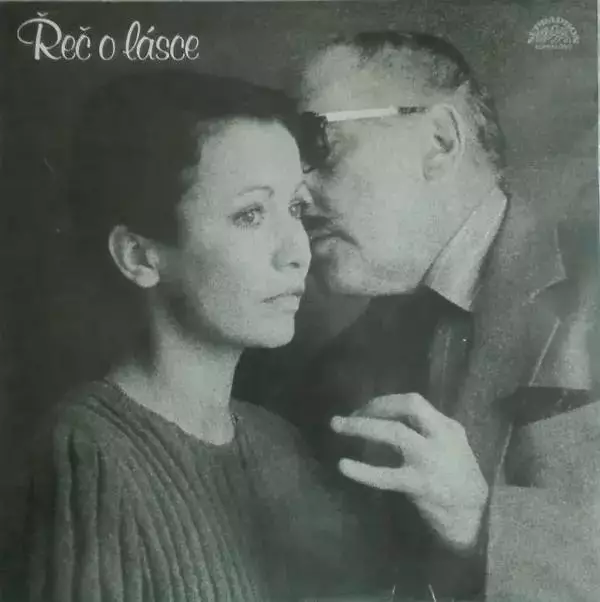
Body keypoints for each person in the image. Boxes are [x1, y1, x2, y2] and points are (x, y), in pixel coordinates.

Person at [237, 31, 599, 600]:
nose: (296, 195)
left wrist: (479, 520)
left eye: (319, 143)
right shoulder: (340, 366)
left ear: (439, 141)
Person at [8, 70, 385, 602]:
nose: (297, 250)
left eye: (295, 208)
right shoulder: (88, 453)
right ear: (139, 256)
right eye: (250, 215)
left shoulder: (280, 447)